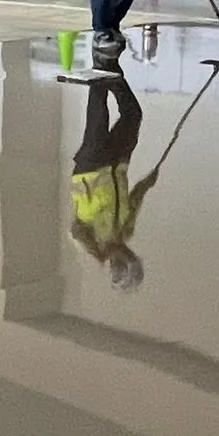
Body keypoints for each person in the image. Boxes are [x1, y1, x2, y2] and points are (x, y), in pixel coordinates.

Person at [68, 72, 150, 289]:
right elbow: (135, 200)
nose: (127, 252)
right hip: (117, 164)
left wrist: (97, 252)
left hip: (91, 169)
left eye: (125, 258)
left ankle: (99, 72)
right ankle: (111, 70)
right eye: (131, 256)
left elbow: (75, 230)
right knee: (133, 115)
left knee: (98, 116)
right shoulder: (126, 231)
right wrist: (147, 184)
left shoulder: (92, 244)